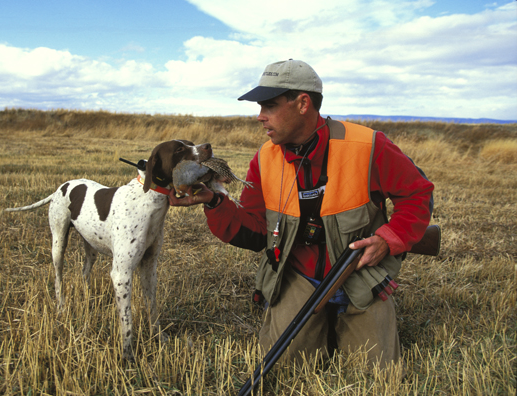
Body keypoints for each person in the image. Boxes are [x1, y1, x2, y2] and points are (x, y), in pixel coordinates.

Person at [168, 59, 434, 369]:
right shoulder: (264, 159)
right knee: (284, 366)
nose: (260, 116)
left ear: (303, 103)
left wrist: (388, 240)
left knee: (376, 373)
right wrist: (214, 202)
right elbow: (256, 232)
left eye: (269, 105)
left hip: (359, 274)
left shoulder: (367, 145)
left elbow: (417, 194)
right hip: (299, 274)